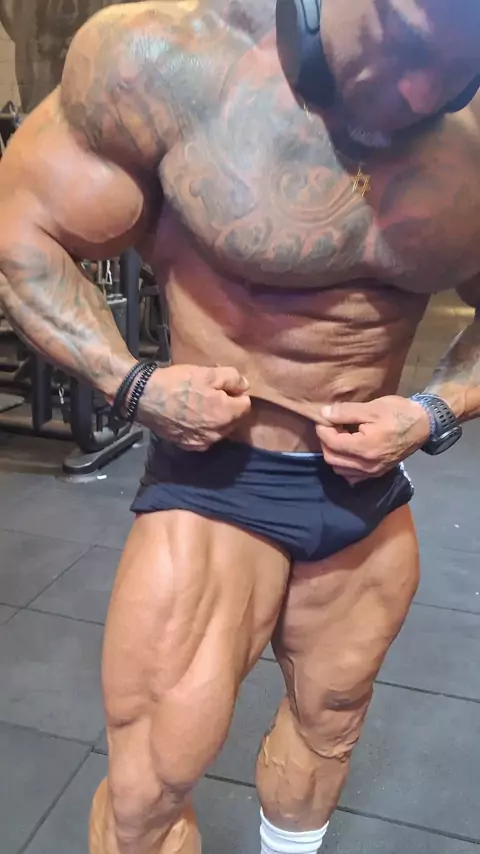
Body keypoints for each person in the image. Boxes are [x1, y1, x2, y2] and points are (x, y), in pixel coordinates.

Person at [0, 1, 480, 852]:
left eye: (456, 69)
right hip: (219, 480)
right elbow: (21, 231)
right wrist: (133, 383)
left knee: (330, 726)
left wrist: (431, 410)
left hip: (367, 497)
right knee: (147, 791)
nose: (418, 93)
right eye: (403, 44)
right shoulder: (167, 60)